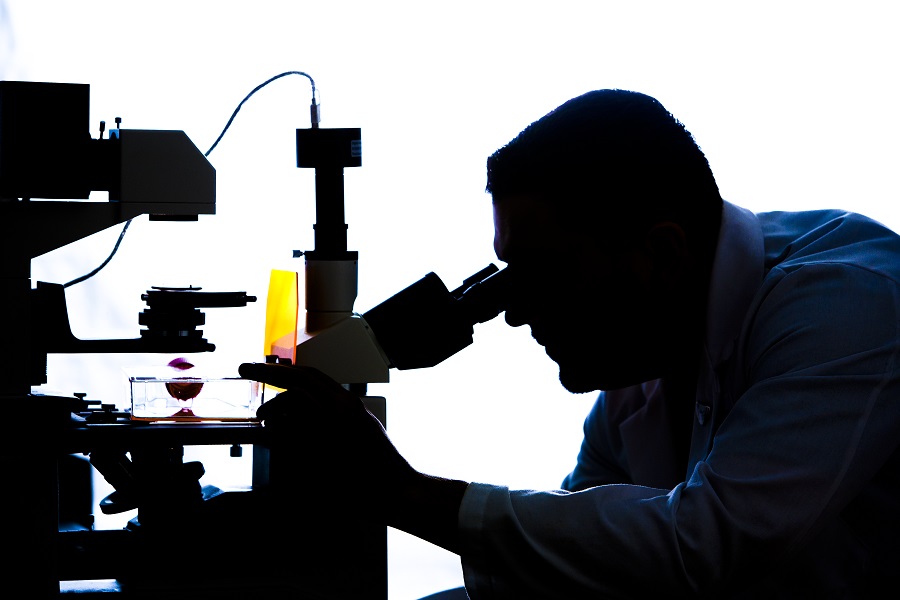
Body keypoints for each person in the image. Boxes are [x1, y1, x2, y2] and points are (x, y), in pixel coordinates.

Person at [239, 89, 900, 598]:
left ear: (661, 252)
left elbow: (700, 551)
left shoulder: (845, 307)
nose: (516, 313)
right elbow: (580, 570)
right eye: (507, 277)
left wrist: (400, 492)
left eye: (544, 273)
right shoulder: (642, 366)